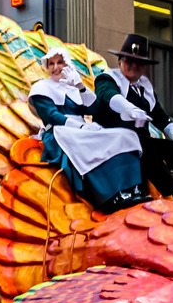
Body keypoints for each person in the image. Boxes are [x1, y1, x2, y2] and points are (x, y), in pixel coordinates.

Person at [29, 45, 147, 214]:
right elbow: (52, 116)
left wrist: (80, 86)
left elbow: (94, 110)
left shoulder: (72, 87)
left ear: (67, 64)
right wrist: (81, 126)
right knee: (91, 143)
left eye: (60, 62)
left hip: (85, 130)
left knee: (126, 136)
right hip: (61, 132)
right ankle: (111, 196)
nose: (55, 67)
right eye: (51, 63)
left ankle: (131, 189)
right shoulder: (42, 88)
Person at [92, 34, 173, 203]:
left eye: (138, 62)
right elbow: (109, 96)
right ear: (120, 61)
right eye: (129, 60)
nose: (133, 66)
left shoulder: (145, 89)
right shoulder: (107, 79)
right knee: (141, 141)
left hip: (142, 144)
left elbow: (161, 117)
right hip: (113, 142)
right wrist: (128, 109)